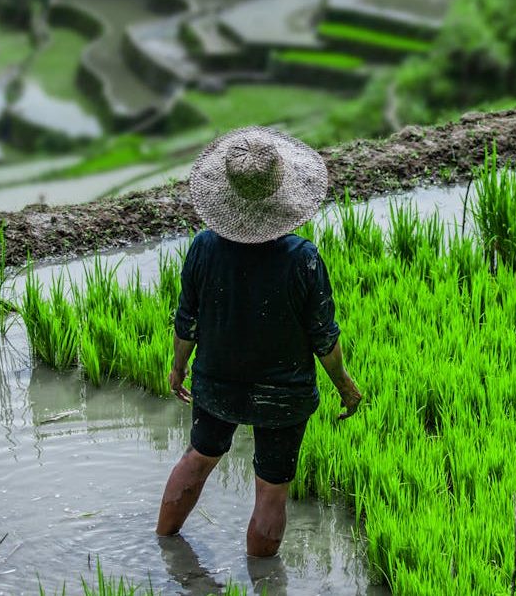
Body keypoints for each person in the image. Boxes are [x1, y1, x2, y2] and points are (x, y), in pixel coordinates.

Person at [155, 126, 363, 558]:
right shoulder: (302, 258)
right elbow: (324, 339)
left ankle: (164, 548)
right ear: (282, 193)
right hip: (282, 396)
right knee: (272, 490)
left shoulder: (203, 248)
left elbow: (186, 323)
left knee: (198, 458)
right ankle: (263, 581)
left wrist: (178, 368)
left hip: (217, 383)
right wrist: (344, 385)